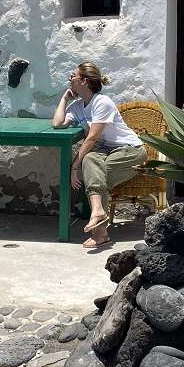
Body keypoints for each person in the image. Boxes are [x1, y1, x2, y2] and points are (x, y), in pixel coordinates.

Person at [51, 61, 146, 250]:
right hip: (105, 153)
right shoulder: (78, 106)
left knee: (92, 170)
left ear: (84, 81)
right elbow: (57, 123)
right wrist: (64, 99)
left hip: (130, 151)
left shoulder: (102, 102)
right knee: (91, 160)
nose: (69, 80)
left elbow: (92, 137)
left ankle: (100, 232)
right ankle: (99, 213)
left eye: (73, 76)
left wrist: (74, 166)